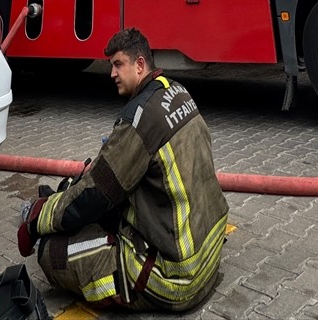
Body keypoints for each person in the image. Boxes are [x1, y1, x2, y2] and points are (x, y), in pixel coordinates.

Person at [17, 28, 228, 312]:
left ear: (140, 65)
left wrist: (38, 220)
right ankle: (58, 203)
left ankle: (50, 217)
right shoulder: (176, 90)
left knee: (50, 253)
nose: (112, 74)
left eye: (118, 65)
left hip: (176, 279)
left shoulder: (140, 119)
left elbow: (95, 196)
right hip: (207, 256)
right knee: (92, 186)